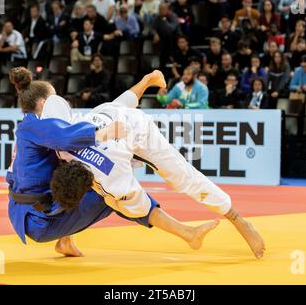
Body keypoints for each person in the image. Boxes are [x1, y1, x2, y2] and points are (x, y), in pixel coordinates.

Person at [44, 73, 265, 259]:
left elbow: (143, 208)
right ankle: (148, 79)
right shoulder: (62, 145)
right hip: (105, 115)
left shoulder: (110, 177)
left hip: (140, 133)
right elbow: (53, 99)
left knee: (182, 177)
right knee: (116, 107)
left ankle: (239, 221)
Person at [7, 67, 220, 256]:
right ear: (44, 103)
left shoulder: (28, 127)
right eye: (55, 99)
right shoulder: (42, 128)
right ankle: (187, 233)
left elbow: (112, 108)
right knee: (112, 192)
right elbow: (64, 138)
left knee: (78, 172)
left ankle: (66, 240)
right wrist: (102, 133)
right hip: (39, 220)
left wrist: (145, 82)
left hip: (26, 209)